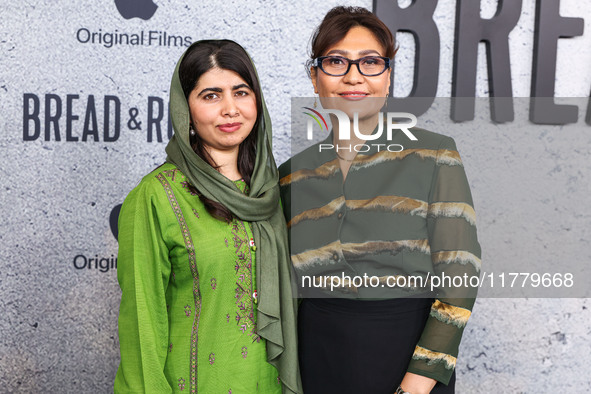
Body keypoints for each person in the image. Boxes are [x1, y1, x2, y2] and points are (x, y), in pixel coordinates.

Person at [279, 7, 481, 394]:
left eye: (370, 63)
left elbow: (461, 272)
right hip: (316, 360)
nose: (353, 76)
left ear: (387, 78)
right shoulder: (291, 175)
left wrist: (419, 382)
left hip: (407, 360)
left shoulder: (434, 155)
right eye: (336, 62)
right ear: (315, 77)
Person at [115, 40, 301, 394]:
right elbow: (142, 323)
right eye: (211, 95)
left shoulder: (275, 192)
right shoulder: (156, 196)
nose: (231, 110)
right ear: (185, 107)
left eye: (241, 92)